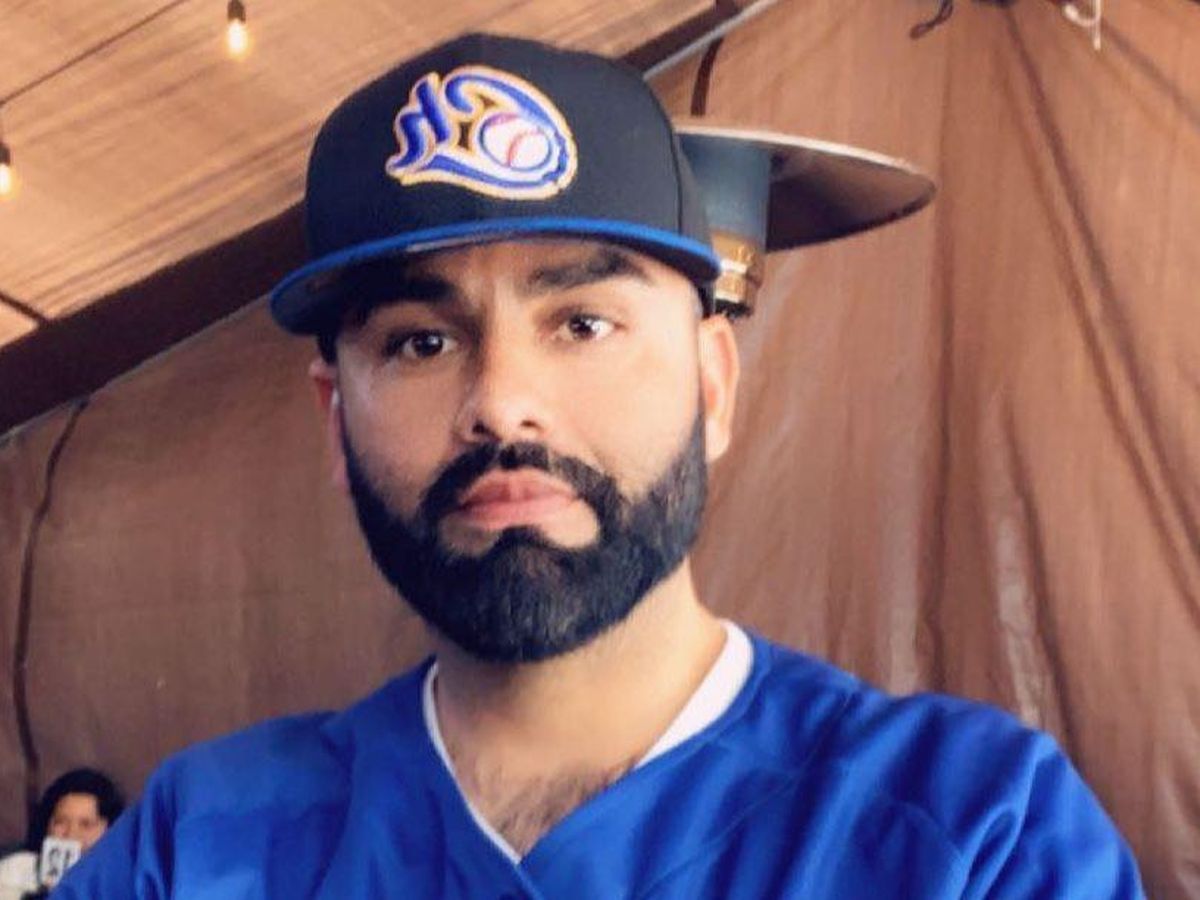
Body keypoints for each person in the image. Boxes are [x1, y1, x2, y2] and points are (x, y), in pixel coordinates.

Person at [58, 33, 1144, 898]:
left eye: (582, 323)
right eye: (421, 343)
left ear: (712, 384)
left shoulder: (972, 837)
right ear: (336, 416)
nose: (500, 403)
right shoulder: (199, 849)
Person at [0, 768, 123, 898]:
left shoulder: (122, 880)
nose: (71, 835)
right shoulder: (16, 870)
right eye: (60, 822)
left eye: (86, 825)